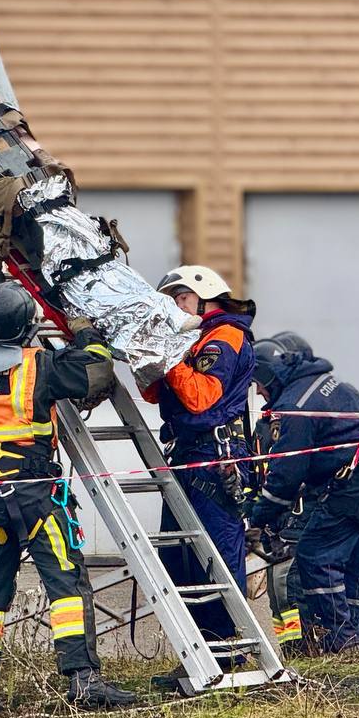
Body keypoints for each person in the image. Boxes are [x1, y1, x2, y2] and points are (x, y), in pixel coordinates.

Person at [0, 224, 136, 713]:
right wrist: (88, 331)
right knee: (66, 583)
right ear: (23, 333)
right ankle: (83, 681)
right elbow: (95, 368)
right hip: (33, 495)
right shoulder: (35, 368)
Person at [246, 332, 359, 653]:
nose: (260, 392)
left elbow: (287, 474)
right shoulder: (330, 385)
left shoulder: (296, 406)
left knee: (314, 557)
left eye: (259, 383)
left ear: (269, 373)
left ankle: (340, 641)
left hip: (356, 481)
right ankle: (355, 642)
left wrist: (258, 517)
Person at [144, 265, 256, 653]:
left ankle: (228, 649)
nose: (176, 306)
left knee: (216, 559)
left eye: (182, 298)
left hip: (214, 458)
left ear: (207, 295)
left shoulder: (224, 336)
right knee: (178, 556)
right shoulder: (194, 338)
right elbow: (154, 394)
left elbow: (200, 398)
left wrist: (170, 355)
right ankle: (199, 651)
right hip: (186, 455)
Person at [249, 331, 313, 656]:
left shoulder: (305, 414)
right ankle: (292, 656)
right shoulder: (266, 422)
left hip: (300, 522)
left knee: (292, 587)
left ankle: (309, 654)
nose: (258, 390)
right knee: (278, 594)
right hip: (275, 527)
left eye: (262, 381)